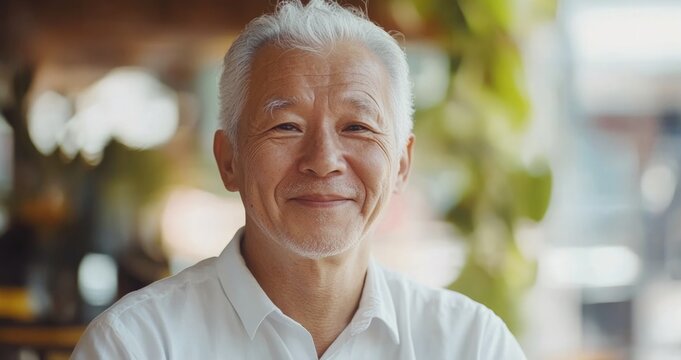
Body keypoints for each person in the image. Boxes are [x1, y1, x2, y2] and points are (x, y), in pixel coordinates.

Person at [71, 1, 526, 359]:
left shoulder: (472, 344)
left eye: (358, 127)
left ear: (402, 165)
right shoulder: (136, 346)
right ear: (228, 160)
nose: (324, 161)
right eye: (286, 126)